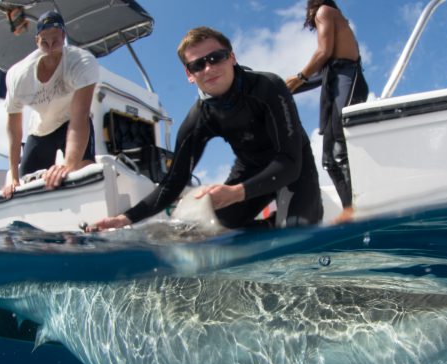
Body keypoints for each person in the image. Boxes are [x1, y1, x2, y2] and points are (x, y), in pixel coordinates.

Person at [87, 26, 323, 232]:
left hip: (293, 165)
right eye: (198, 65)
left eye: (216, 58)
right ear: (189, 74)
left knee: (297, 231)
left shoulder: (267, 87)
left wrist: (237, 192)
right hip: (250, 168)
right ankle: (269, 229)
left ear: (232, 57)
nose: (208, 68)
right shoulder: (199, 118)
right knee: (215, 228)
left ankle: (280, 228)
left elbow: (290, 161)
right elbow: (172, 184)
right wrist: (124, 218)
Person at [285, 0, 369, 223]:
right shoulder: (331, 17)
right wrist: (285, 90)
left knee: (340, 151)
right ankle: (349, 210)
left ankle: (355, 209)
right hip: (337, 85)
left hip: (348, 82)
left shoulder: (324, 12)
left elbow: (323, 52)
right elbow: (320, 74)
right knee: (329, 159)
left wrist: (298, 77)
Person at [1, 11, 100, 199]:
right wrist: (13, 177)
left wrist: (69, 166)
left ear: (63, 36)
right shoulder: (18, 76)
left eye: (55, 40)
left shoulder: (82, 63)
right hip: (40, 130)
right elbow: (14, 128)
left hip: (71, 121)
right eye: (45, 42)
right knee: (26, 185)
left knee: (83, 171)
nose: (51, 47)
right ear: (37, 40)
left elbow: (79, 120)